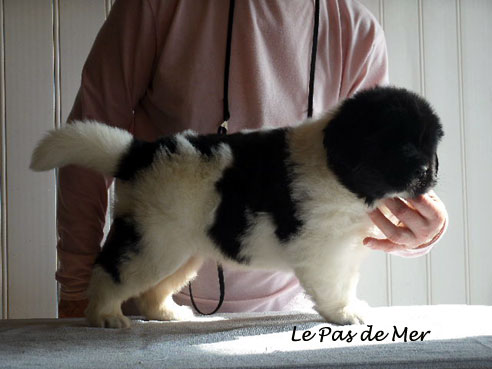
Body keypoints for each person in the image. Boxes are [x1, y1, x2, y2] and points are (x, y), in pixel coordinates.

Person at [57, 0, 447, 318]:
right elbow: (89, 142)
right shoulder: (156, 7)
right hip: (148, 306)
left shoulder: (356, 30)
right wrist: (78, 291)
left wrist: (420, 229)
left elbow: (377, 176)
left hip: (296, 313)